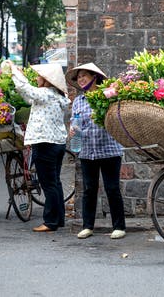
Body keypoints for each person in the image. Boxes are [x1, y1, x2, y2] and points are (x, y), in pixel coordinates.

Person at [6, 60, 71, 232]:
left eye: (39, 77)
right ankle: (58, 219)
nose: (36, 79)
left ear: (47, 80)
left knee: (48, 184)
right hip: (57, 143)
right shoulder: (56, 97)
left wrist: (15, 71)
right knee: (55, 182)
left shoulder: (46, 94)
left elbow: (25, 89)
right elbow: (28, 97)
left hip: (45, 144)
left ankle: (50, 222)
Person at [66, 63, 126, 239]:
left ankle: (119, 227)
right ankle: (87, 226)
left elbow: (118, 118)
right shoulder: (78, 101)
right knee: (89, 189)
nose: (81, 79)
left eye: (84, 75)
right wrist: (73, 129)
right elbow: (75, 121)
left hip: (109, 149)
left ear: (94, 77)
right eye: (78, 77)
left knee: (112, 188)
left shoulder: (108, 96)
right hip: (87, 151)